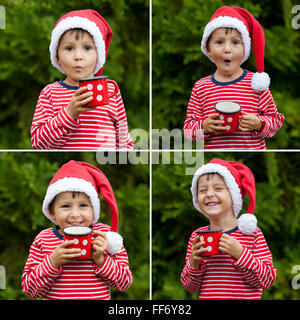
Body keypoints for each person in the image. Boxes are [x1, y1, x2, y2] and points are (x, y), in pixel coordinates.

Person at [22, 160, 132, 300]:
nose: (75, 214)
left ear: (94, 209)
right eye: (66, 206)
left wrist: (101, 259)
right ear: (52, 211)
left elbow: (124, 282)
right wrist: (52, 262)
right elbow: (29, 289)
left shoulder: (105, 237)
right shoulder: (43, 239)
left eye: (83, 205)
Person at [31, 9, 134, 150]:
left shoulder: (110, 91)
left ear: (99, 55)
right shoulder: (50, 93)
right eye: (69, 48)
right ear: (57, 57)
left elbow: (124, 142)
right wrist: (69, 113)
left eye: (87, 48)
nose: (78, 56)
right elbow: (39, 144)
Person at [183, 6, 284, 149]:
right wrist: (203, 126)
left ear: (245, 50)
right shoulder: (201, 87)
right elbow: (188, 130)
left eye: (235, 42)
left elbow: (276, 121)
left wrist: (259, 123)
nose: (227, 49)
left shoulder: (256, 84)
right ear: (208, 49)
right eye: (219, 42)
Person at [180, 158, 276, 299]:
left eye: (218, 188)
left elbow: (267, 279)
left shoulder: (252, 233)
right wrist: (193, 264)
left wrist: (240, 254)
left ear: (234, 194)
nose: (209, 194)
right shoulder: (197, 236)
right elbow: (191, 287)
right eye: (202, 190)